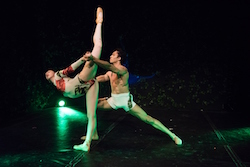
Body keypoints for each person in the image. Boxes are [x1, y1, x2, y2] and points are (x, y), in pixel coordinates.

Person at [82, 48, 182, 145]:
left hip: (125, 101)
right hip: (113, 100)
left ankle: (173, 136)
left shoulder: (123, 70)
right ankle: (94, 134)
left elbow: (109, 66)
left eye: (113, 55)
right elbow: (103, 77)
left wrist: (93, 59)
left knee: (148, 119)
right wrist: (87, 81)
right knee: (92, 106)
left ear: (119, 58)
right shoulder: (110, 72)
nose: (110, 56)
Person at [45, 7, 103, 152]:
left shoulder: (59, 78)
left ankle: (91, 136)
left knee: (91, 114)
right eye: (47, 73)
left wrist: (83, 60)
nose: (48, 72)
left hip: (85, 85)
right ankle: (99, 23)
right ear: (48, 77)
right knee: (98, 46)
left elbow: (70, 69)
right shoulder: (57, 77)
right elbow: (69, 69)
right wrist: (83, 59)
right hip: (79, 85)